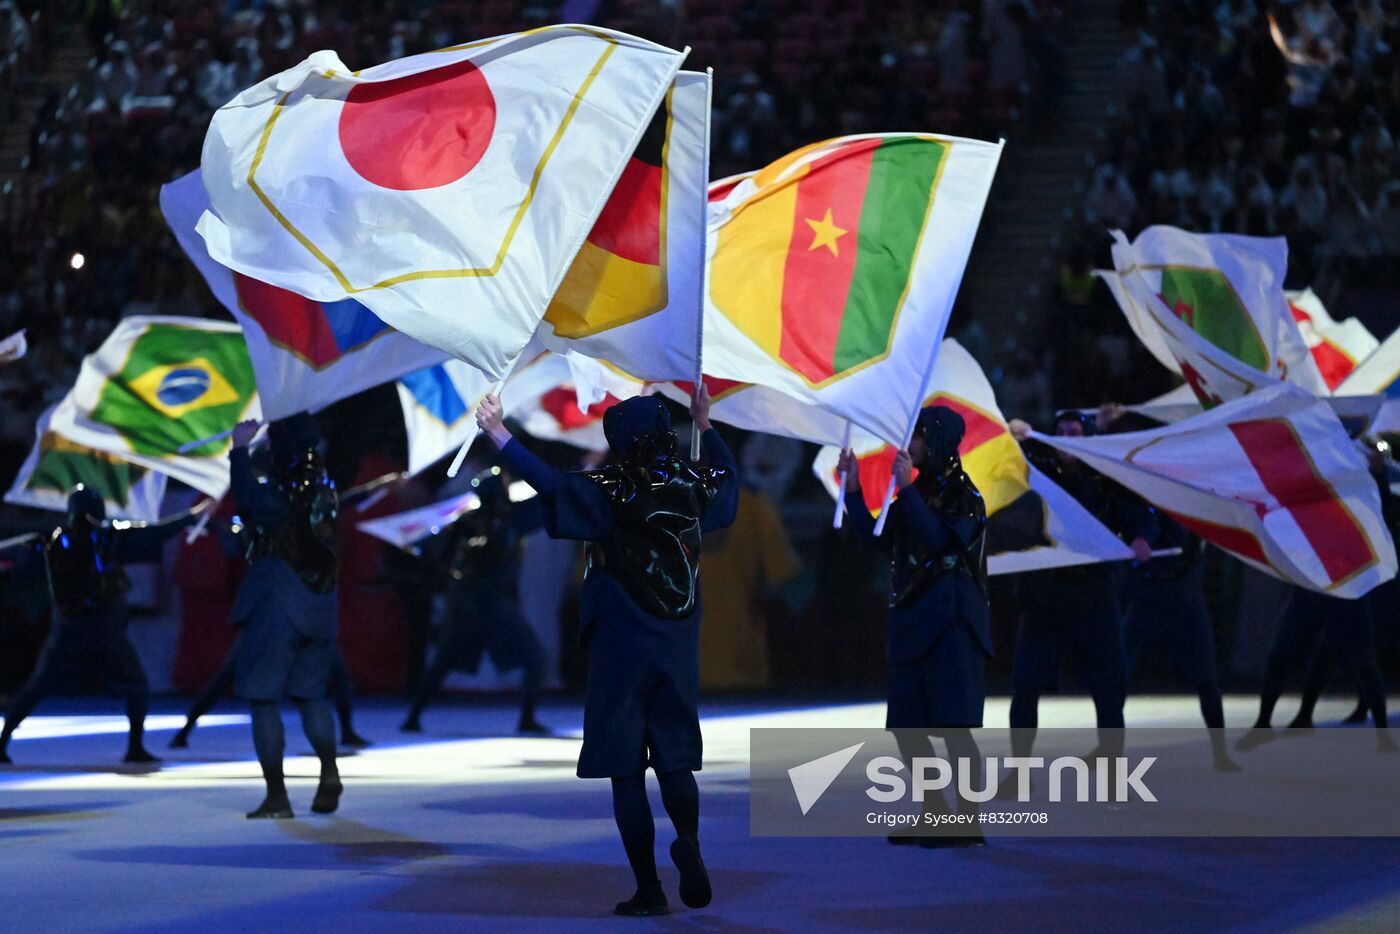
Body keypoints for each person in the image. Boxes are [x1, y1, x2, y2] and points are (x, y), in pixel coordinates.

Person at [479, 388, 737, 917]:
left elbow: (549, 481)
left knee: (625, 768)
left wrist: (499, 433)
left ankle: (649, 888)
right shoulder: (696, 483)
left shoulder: (610, 489)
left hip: (620, 646)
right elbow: (731, 478)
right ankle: (687, 839)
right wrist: (705, 424)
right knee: (674, 761)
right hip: (676, 646)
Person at [839, 405, 990, 847]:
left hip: (951, 622)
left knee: (955, 727)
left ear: (939, 440)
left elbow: (939, 538)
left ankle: (967, 818)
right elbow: (881, 542)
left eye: (919, 436)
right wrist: (852, 493)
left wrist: (906, 491)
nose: (910, 445)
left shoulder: (967, 497)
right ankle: (934, 811)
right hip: (911, 618)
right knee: (908, 727)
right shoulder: (913, 493)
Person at [0, 487, 185, 764]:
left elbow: (15, 555)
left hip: (69, 630)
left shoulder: (54, 539)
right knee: (136, 686)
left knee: (35, 689)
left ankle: (2, 743)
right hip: (101, 629)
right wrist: (190, 517)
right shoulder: (106, 537)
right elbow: (154, 533)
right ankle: (135, 746)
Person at [1006, 410, 1143, 764]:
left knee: (1110, 687)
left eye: (1075, 432)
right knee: (1025, 687)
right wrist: (1012, 435)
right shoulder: (1037, 471)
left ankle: (1111, 767)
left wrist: (1143, 538)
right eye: (1061, 432)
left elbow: (1138, 514)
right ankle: (1019, 771)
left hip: (1094, 598)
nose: (1067, 438)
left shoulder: (1106, 479)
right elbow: (1005, 465)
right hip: (1044, 600)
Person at [227, 414, 344, 819]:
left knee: (263, 698)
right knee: (311, 695)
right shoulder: (326, 488)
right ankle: (329, 770)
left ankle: (277, 797)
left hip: (280, 600)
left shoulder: (286, 487)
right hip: (323, 603)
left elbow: (252, 502)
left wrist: (239, 451)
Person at [400, 466, 548, 736]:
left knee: (444, 663)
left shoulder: (472, 520)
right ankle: (526, 718)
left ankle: (413, 716)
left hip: (470, 601)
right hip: (484, 602)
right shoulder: (504, 519)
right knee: (533, 658)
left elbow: (438, 556)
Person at [1121, 507, 1239, 770]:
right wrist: (1142, 541)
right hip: (1147, 596)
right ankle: (1108, 751)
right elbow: (1147, 521)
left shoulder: (1193, 502)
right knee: (1116, 677)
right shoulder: (1147, 502)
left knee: (1207, 679)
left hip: (1185, 598)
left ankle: (1220, 754)